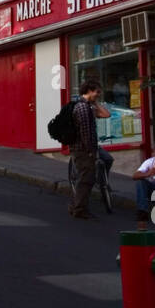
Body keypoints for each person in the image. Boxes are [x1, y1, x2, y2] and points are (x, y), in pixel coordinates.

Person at [67, 80, 101, 219]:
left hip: (80, 149)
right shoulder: (83, 108)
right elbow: (86, 133)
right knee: (86, 179)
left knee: (84, 178)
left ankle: (76, 206)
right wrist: (90, 150)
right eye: (97, 92)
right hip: (82, 150)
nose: (98, 95)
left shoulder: (83, 106)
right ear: (90, 91)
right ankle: (79, 209)